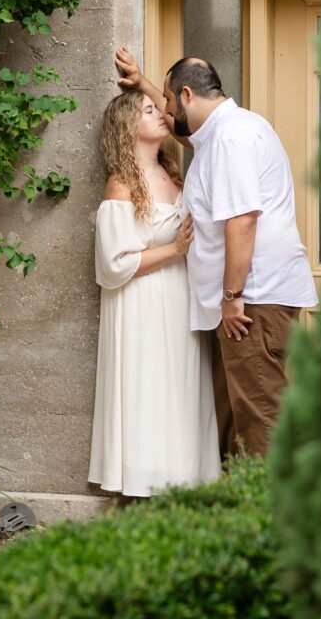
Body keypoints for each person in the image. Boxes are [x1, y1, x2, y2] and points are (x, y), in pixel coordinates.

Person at [115, 46, 318, 458]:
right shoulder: (219, 135)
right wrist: (143, 84)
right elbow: (182, 131)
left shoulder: (231, 138)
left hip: (250, 304)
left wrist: (231, 298)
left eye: (168, 102)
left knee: (262, 414)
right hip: (245, 303)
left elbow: (242, 220)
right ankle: (240, 510)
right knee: (236, 418)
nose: (165, 111)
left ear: (188, 95)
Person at [88, 89, 221, 498]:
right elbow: (113, 265)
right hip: (142, 304)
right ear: (129, 127)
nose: (162, 113)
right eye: (149, 110)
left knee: (181, 390)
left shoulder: (173, 171)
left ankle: (186, 478)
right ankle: (146, 483)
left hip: (181, 297)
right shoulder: (122, 185)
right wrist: (175, 249)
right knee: (150, 388)